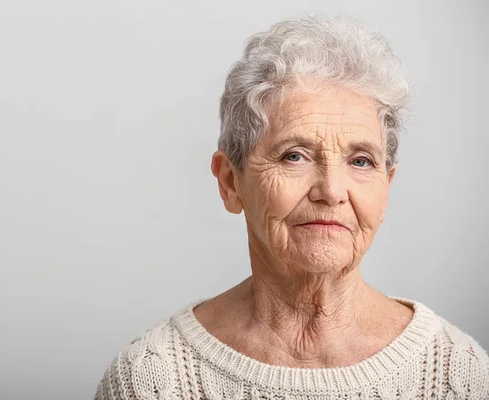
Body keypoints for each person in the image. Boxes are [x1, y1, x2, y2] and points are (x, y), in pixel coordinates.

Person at [94, 14, 489, 400]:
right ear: (231, 183)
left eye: (361, 161)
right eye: (294, 156)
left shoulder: (458, 372)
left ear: (385, 190)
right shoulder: (151, 378)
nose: (331, 191)